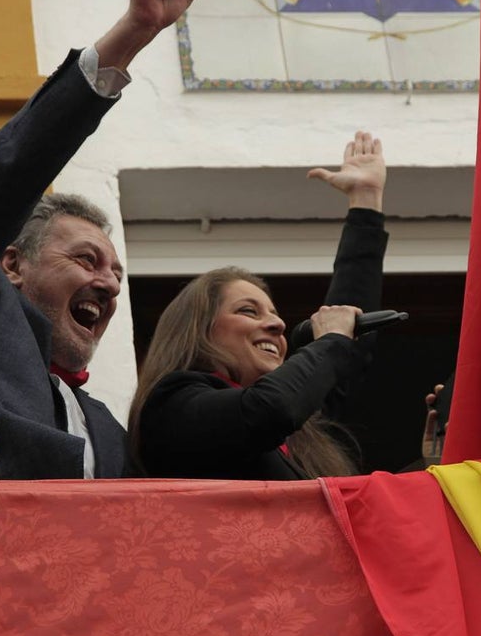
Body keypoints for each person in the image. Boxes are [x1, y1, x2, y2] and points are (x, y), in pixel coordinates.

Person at [0, 0, 204, 480]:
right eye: (86, 259)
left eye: (117, 273)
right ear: (12, 264)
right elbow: (6, 176)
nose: (110, 285)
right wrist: (130, 36)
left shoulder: (109, 433)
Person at [128, 132, 388, 480]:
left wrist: (366, 200)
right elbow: (271, 408)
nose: (278, 326)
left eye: (274, 314)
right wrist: (330, 341)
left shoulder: (298, 434)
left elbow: (349, 332)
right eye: (248, 311)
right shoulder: (173, 405)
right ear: (197, 332)